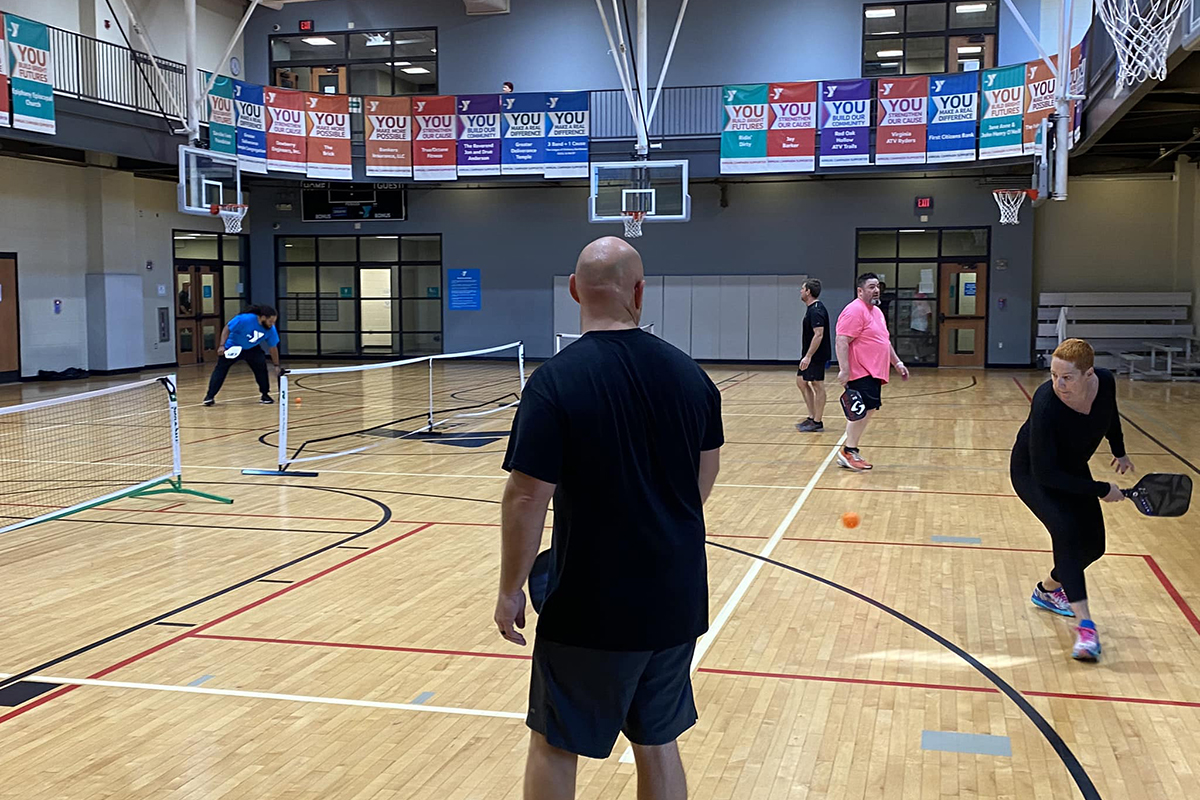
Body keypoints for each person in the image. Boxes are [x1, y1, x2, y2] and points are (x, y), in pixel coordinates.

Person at [495, 237, 724, 800]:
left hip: (589, 606)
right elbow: (703, 478)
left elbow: (526, 497)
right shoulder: (691, 377)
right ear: (639, 292)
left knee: (555, 743)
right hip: (675, 598)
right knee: (658, 741)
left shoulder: (554, 383)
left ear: (575, 290)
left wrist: (510, 588)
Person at [1010, 338, 1132, 662]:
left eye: (1067, 377)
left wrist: (1119, 450)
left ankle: (1047, 590)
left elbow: (1110, 414)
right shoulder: (1046, 403)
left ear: (1088, 374)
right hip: (1034, 472)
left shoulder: (1104, 382)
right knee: (1066, 534)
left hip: (1072, 469)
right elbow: (1046, 474)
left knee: (1094, 547)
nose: (1059, 384)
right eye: (1053, 375)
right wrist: (1101, 489)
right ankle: (1086, 628)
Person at [835, 273, 909, 471]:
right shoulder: (854, 310)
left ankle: (849, 450)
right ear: (860, 291)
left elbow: (884, 341)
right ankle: (849, 452)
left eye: (877, 287)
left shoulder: (876, 312)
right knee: (860, 412)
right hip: (860, 370)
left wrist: (897, 363)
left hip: (875, 371)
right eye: (871, 287)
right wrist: (844, 370)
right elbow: (842, 340)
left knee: (870, 409)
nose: (876, 290)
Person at [202, 304, 282, 406]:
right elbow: (227, 328)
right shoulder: (244, 319)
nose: (272, 324)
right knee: (221, 369)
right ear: (262, 317)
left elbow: (273, 347)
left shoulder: (271, 330)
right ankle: (210, 396)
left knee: (261, 368)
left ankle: (265, 394)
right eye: (270, 321)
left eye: (274, 322)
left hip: (252, 348)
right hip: (233, 346)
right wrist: (222, 345)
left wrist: (276, 365)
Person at [796, 279, 830, 433]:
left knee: (817, 385)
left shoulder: (817, 310)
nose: (801, 291)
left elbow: (819, 334)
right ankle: (811, 417)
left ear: (808, 291)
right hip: (809, 354)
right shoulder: (811, 309)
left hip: (816, 355)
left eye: (802, 289)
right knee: (801, 381)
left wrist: (809, 356)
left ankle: (817, 421)